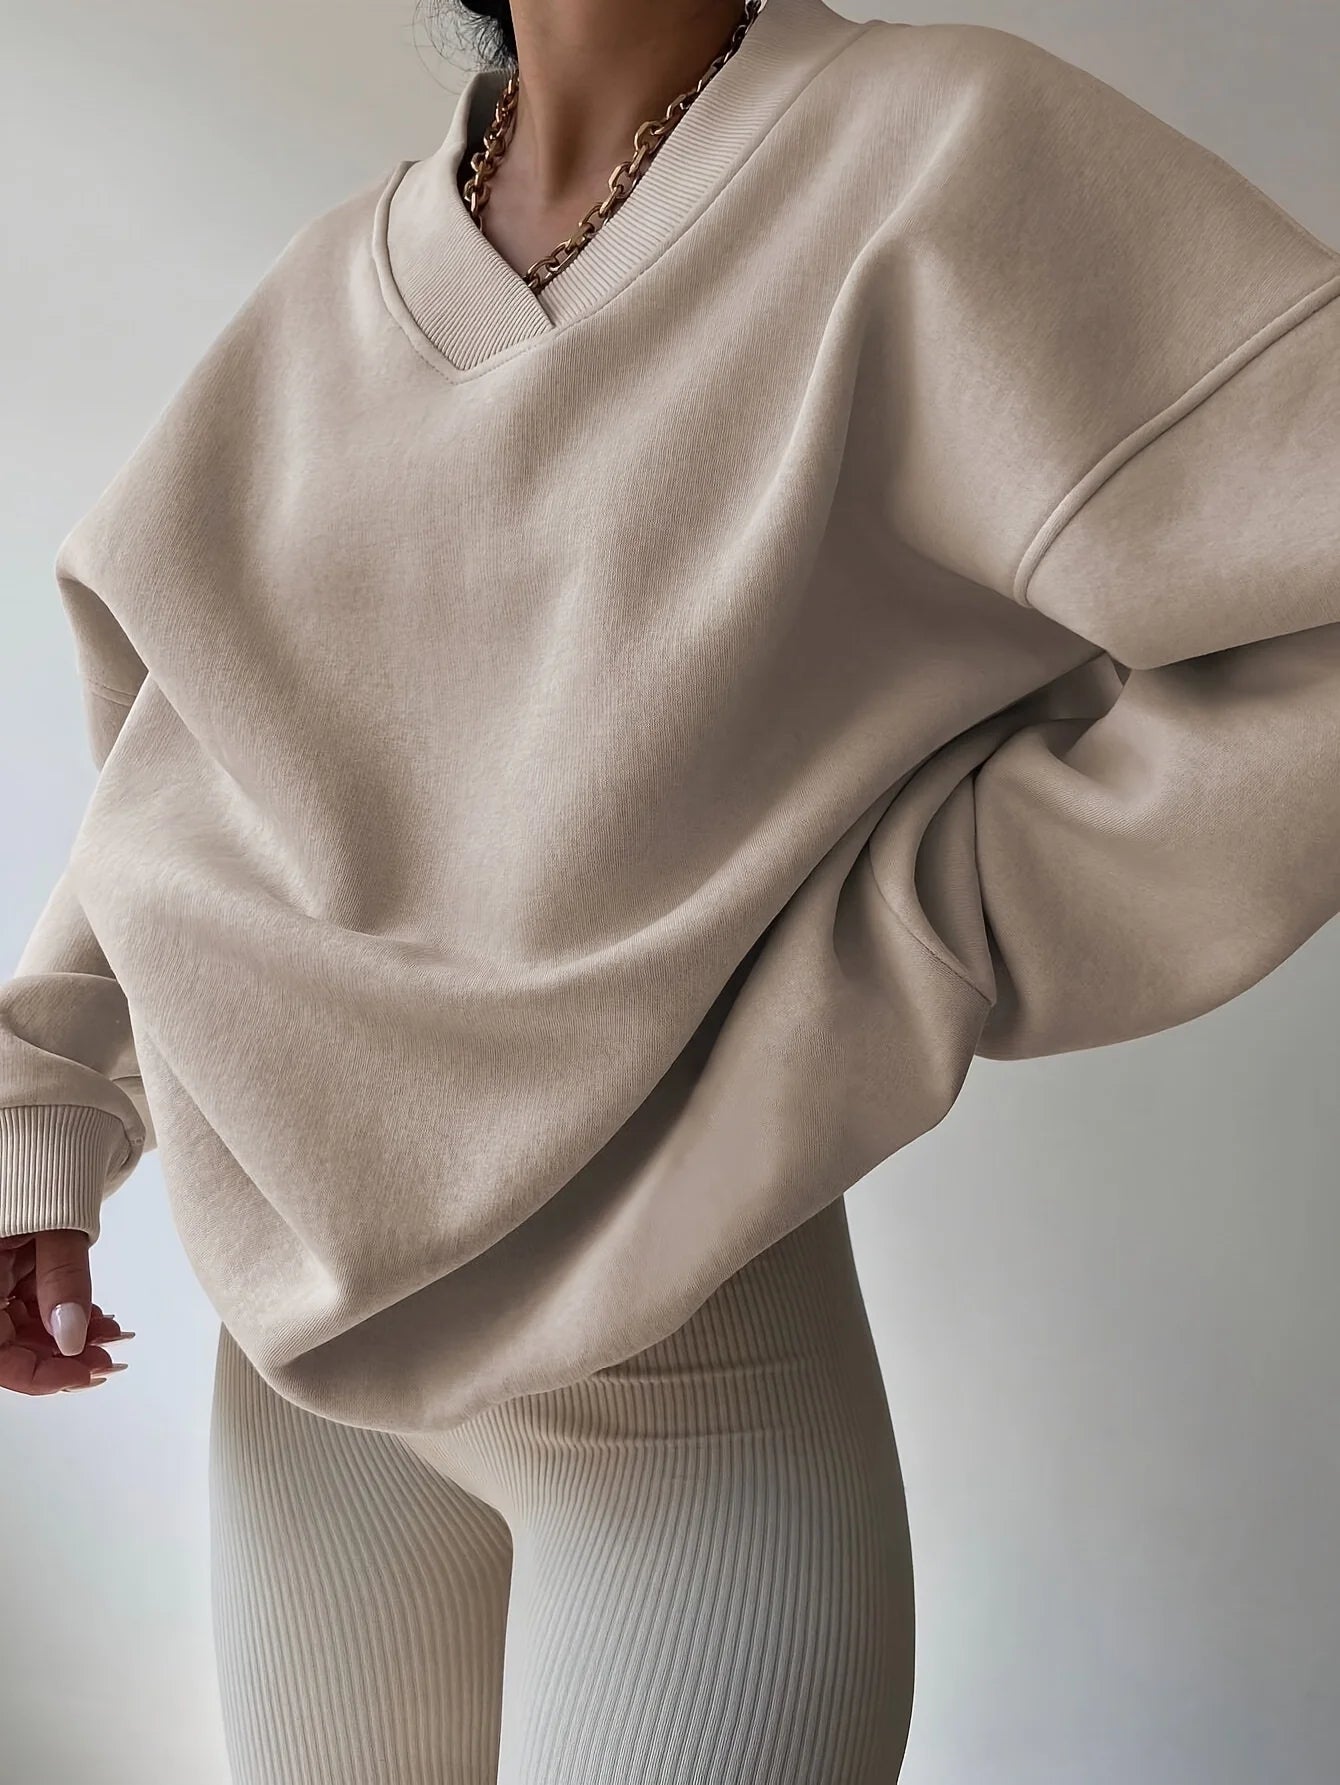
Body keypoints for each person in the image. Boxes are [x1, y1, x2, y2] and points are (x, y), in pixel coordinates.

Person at [2, 0, 1337, 1778]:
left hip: (686, 1384)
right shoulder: (344, 283)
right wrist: (47, 1112)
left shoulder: (935, 150)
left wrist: (918, 929)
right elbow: (188, 759)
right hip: (302, 1386)